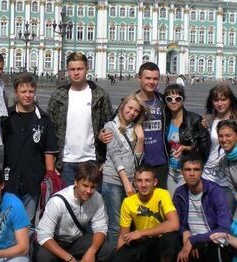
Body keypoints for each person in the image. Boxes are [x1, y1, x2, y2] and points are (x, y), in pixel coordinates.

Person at [2, 72, 59, 226]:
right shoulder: (6, 117)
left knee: (28, 224)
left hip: (33, 180)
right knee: (7, 222)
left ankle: (25, 250)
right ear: (15, 93)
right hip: (10, 178)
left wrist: (49, 176)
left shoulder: (44, 119)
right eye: (23, 91)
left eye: (31, 91)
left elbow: (49, 150)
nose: (27, 95)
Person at [48, 52, 112, 186]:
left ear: (87, 69)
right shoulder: (58, 95)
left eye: (80, 69)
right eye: (72, 69)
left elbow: (109, 126)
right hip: (65, 162)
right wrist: (52, 163)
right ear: (68, 71)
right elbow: (50, 131)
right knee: (68, 203)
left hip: (92, 160)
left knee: (91, 203)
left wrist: (105, 159)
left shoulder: (100, 95)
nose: (76, 73)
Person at [35, 161, 115, 262]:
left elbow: (101, 228)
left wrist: (91, 252)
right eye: (85, 186)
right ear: (76, 182)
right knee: (43, 257)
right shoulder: (57, 202)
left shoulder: (97, 199)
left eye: (93, 187)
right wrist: (69, 258)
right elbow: (44, 236)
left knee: (108, 249)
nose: (89, 191)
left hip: (76, 241)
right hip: (55, 241)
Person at [101, 93, 147, 244]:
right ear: (123, 106)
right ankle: (113, 255)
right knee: (115, 225)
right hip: (114, 181)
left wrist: (140, 140)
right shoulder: (110, 126)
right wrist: (126, 182)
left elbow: (137, 160)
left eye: (136, 111)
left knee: (130, 223)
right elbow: (114, 155)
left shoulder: (135, 129)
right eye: (130, 108)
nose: (132, 112)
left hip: (131, 181)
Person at [113, 166, 181, 262]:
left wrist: (141, 233)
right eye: (139, 181)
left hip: (160, 240)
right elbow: (124, 236)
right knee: (120, 257)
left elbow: (174, 224)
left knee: (170, 239)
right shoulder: (128, 202)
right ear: (135, 183)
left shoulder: (163, 194)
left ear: (155, 182)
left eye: (147, 180)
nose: (143, 185)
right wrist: (119, 254)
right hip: (143, 243)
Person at [173, 153, 232, 262]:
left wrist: (194, 240)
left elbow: (225, 228)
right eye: (187, 169)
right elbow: (177, 223)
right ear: (182, 172)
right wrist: (185, 233)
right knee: (170, 240)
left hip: (212, 241)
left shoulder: (215, 192)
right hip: (189, 241)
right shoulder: (180, 193)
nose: (192, 173)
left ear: (202, 171)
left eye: (196, 169)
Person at [203, 83, 237, 211]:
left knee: (226, 220)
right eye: (216, 100)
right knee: (208, 218)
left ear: (230, 100)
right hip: (208, 176)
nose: (220, 103)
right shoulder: (208, 120)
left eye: (223, 99)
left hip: (230, 180)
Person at [162, 83, 210, 194]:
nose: (174, 102)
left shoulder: (195, 119)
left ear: (183, 100)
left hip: (187, 171)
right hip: (170, 171)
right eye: (169, 99)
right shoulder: (165, 120)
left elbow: (205, 147)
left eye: (178, 98)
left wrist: (186, 148)